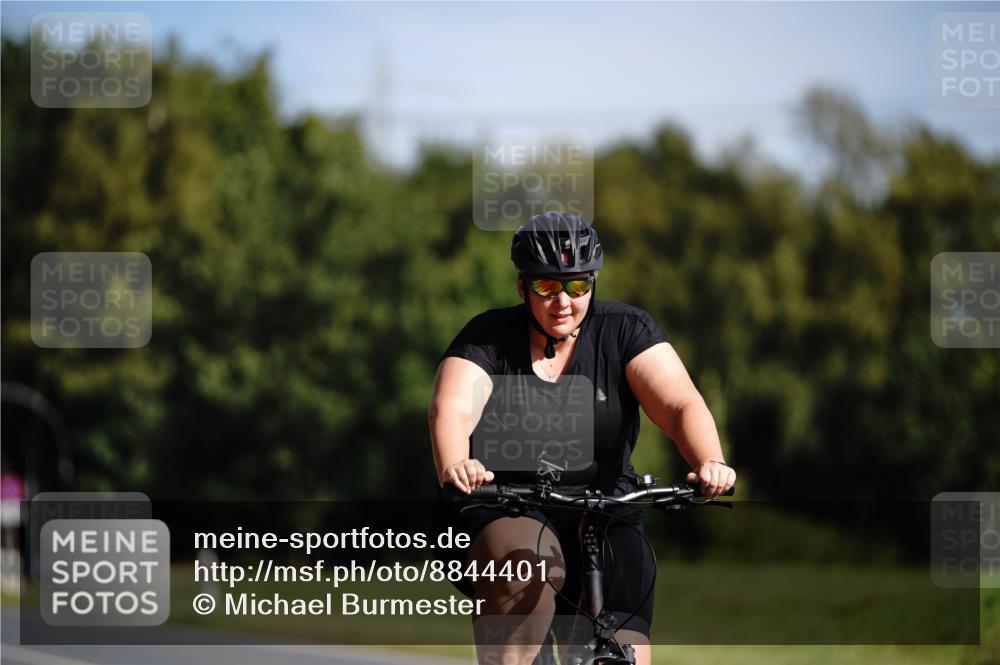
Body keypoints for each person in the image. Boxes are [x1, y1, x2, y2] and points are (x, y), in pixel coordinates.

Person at [428, 211, 735, 665]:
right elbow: (452, 406)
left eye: (577, 286)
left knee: (626, 642)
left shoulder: (625, 330)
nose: (564, 301)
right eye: (547, 288)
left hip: (606, 508)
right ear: (522, 287)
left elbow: (678, 403)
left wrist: (710, 459)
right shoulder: (489, 337)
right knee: (522, 563)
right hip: (509, 503)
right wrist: (457, 462)